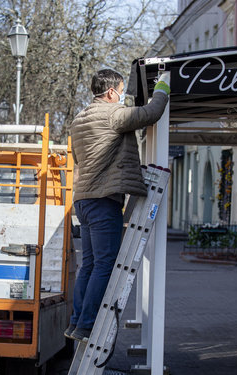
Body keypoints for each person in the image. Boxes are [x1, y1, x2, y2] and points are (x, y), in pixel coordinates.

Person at [65, 68, 170, 342]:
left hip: (84, 200)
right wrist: (163, 86)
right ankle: (88, 325)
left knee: (89, 264)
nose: (123, 96)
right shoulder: (113, 114)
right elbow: (151, 113)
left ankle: (77, 322)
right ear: (111, 92)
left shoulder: (78, 120)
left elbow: (77, 158)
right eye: (122, 90)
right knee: (105, 264)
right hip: (104, 199)